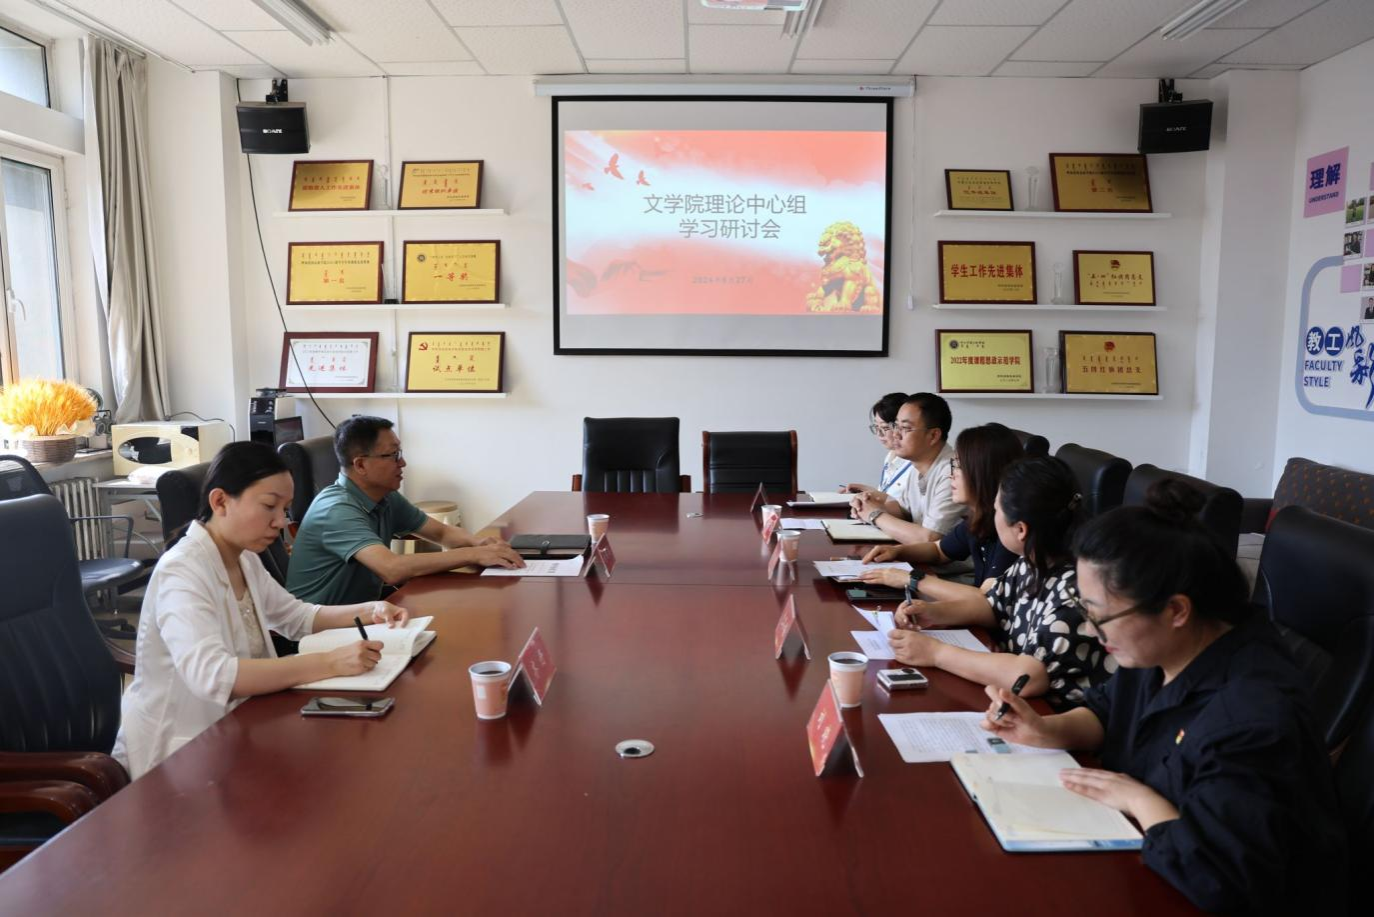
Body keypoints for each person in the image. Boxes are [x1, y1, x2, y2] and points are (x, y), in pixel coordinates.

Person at [980, 481, 1348, 915]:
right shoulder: (1162, 647)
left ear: (1176, 610)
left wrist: (1139, 800)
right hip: (1143, 854)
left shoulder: (1251, 715)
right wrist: (1045, 729)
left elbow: (1221, 878)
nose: (1093, 631)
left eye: (1102, 616)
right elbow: (1108, 710)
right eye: (1086, 611)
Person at [113, 442, 410, 779]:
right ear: (220, 502)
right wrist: (329, 662)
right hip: (177, 755)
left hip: (240, 728)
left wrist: (370, 610)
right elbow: (213, 675)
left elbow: (295, 617)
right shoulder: (181, 571)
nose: (281, 521)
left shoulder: (244, 559)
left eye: (285, 509)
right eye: (270, 506)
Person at [887, 455, 1109, 710]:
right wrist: (931, 612)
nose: (993, 516)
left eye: (997, 510)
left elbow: (1028, 677)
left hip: (1051, 716)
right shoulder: (1033, 560)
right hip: (1016, 703)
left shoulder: (1078, 588)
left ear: (1021, 530)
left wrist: (936, 653)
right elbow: (993, 606)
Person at [287, 416, 523, 606]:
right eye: (393, 455)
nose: (402, 463)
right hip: (320, 631)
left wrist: (479, 543)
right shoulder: (336, 510)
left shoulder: (385, 496)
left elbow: (441, 533)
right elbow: (391, 569)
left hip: (364, 614)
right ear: (360, 464)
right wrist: (474, 555)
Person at [859, 422, 1023, 595]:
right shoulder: (980, 517)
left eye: (959, 466)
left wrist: (911, 579)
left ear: (983, 472)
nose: (951, 474)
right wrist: (896, 551)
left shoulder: (1010, 531)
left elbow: (985, 599)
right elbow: (939, 550)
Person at [849, 393, 963, 543]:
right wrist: (868, 506)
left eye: (905, 428)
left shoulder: (954, 473)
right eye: (895, 425)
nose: (895, 434)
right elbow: (904, 511)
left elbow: (929, 538)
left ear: (933, 435)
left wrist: (875, 515)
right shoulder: (917, 466)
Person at [841, 392, 909, 501]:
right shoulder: (890, 456)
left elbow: (905, 507)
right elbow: (889, 496)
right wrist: (869, 492)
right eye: (876, 427)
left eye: (885, 428)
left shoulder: (915, 463)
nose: (879, 433)